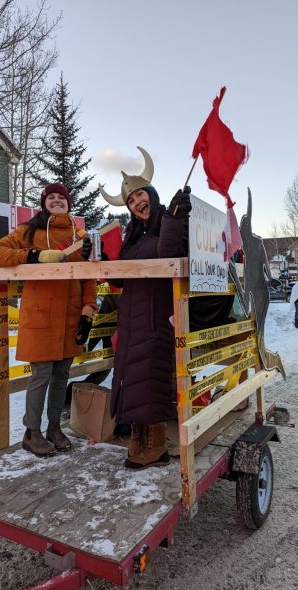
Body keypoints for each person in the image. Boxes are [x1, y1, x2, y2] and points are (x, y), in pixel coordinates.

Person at [98, 146, 191, 470]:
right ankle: (139, 442)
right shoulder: (133, 237)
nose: (137, 203)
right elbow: (123, 281)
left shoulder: (168, 223)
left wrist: (176, 219)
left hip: (156, 318)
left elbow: (167, 254)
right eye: (131, 201)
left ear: (150, 194)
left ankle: (155, 446)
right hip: (131, 320)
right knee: (130, 381)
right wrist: (105, 263)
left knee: (150, 379)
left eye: (140, 195)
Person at [0, 183, 97, 457]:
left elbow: (88, 276)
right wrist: (35, 256)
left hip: (70, 316)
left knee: (62, 374)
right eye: (52, 197)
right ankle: (31, 432)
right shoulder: (29, 230)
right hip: (40, 316)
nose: (57, 200)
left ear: (69, 204)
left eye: (62, 197)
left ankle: (53, 428)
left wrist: (88, 311)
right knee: (41, 375)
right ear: (44, 202)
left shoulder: (79, 234)